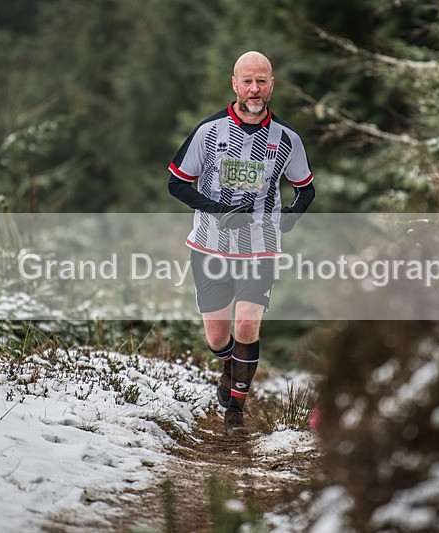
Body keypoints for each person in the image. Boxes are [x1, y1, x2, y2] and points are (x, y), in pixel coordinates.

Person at [168, 51, 316, 435]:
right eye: (247, 81)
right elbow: (176, 182)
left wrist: (291, 217)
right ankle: (228, 367)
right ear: (234, 84)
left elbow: (305, 189)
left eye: (262, 81)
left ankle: (235, 411)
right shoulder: (209, 132)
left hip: (260, 245)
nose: (255, 89)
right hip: (209, 245)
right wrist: (217, 210)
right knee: (218, 338)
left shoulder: (287, 139)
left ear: (272, 85)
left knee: (247, 327)